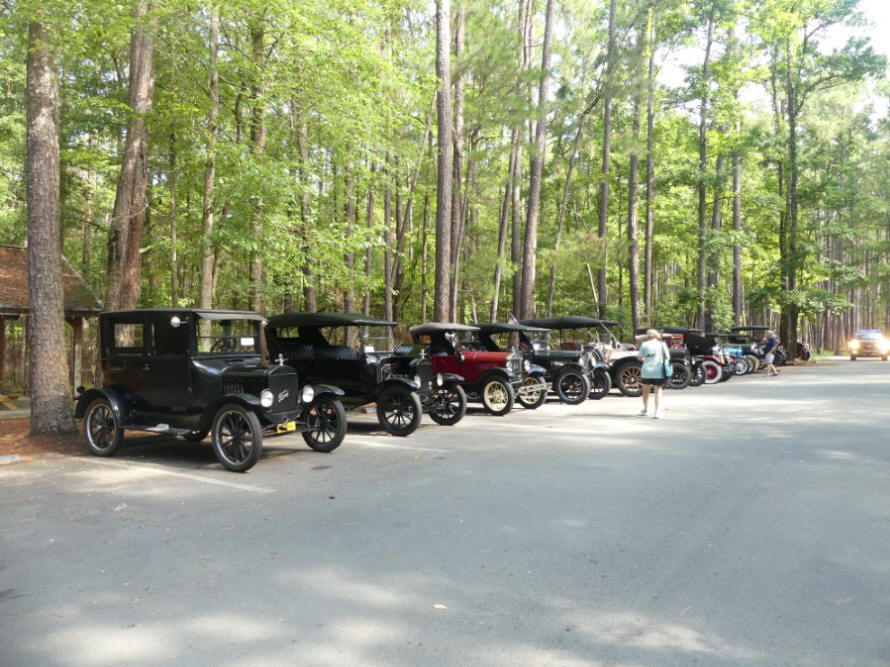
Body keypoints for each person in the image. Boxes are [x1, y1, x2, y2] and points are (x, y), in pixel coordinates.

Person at [637, 329, 670, 419]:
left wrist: (646, 359)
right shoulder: (662, 344)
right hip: (658, 370)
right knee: (658, 391)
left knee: (645, 391)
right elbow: (667, 356)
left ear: (648, 336)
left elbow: (639, 357)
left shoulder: (644, 344)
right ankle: (657, 412)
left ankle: (645, 410)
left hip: (646, 371)